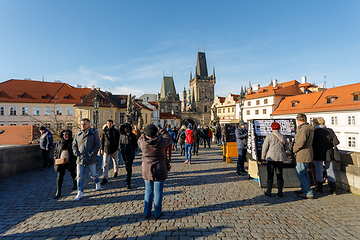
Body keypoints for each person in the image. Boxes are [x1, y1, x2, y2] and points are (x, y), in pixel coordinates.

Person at [138, 124, 172, 219]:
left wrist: (144, 131)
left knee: (148, 190)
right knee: (158, 191)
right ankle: (157, 213)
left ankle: (146, 212)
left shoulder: (142, 142)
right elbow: (169, 138)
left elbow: (140, 137)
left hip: (147, 168)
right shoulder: (160, 141)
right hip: (159, 168)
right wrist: (163, 130)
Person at [72, 118, 101, 201]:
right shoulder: (78, 134)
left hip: (90, 157)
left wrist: (92, 153)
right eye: (81, 124)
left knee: (93, 174)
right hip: (80, 158)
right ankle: (80, 192)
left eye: (84, 124)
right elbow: (74, 145)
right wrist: (76, 153)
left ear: (88, 124)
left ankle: (97, 181)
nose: (82, 125)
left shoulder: (94, 134)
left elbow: (97, 145)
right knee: (79, 176)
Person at [312, 117, 340, 194]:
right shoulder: (330, 131)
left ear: (316, 123)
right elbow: (336, 142)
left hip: (318, 152)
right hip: (329, 152)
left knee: (319, 170)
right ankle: (333, 189)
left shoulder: (315, 131)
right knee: (330, 170)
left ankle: (319, 188)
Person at [261, 122, 288, 197]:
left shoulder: (269, 136)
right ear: (279, 128)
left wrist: (263, 157)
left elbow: (265, 148)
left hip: (271, 157)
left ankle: (269, 191)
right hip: (280, 157)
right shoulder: (283, 137)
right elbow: (286, 148)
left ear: (272, 128)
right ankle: (280, 191)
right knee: (279, 174)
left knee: (270, 174)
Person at [293, 113, 315, 199]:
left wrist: (294, 150)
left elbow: (299, 143)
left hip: (302, 154)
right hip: (308, 153)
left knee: (300, 173)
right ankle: (305, 189)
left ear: (298, 120)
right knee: (305, 173)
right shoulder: (309, 128)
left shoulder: (303, 129)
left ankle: (308, 192)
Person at [53, 130, 77, 199]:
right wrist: (55, 158)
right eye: (63, 134)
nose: (65, 136)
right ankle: (58, 191)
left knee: (72, 173)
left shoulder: (72, 142)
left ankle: (75, 184)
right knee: (60, 177)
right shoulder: (59, 142)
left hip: (69, 161)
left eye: (66, 134)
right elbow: (56, 151)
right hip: (60, 162)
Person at [100, 119, 120, 185]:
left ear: (112, 124)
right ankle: (105, 177)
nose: (109, 125)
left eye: (110, 123)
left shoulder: (116, 131)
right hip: (106, 149)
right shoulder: (104, 131)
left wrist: (118, 147)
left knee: (115, 161)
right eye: (108, 123)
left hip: (114, 149)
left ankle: (115, 171)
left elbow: (118, 140)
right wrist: (101, 149)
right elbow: (102, 140)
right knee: (105, 163)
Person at [119, 123, 138, 189]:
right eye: (124, 128)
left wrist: (132, 149)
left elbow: (136, 144)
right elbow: (120, 142)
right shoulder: (121, 135)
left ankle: (128, 182)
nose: (125, 129)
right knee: (126, 166)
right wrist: (120, 148)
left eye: (126, 128)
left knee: (129, 166)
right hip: (123, 153)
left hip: (130, 153)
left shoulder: (132, 135)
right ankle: (128, 176)